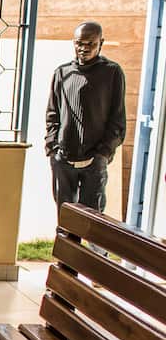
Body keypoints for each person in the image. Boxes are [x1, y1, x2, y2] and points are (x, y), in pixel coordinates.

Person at [45, 21, 126, 215]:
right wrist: (52, 149)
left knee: (92, 221)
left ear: (101, 43)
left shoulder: (112, 72)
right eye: (79, 43)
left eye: (90, 43)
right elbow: (52, 115)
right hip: (63, 160)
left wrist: (103, 154)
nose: (83, 48)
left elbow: (117, 119)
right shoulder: (62, 73)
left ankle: (92, 248)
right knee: (65, 219)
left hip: (94, 162)